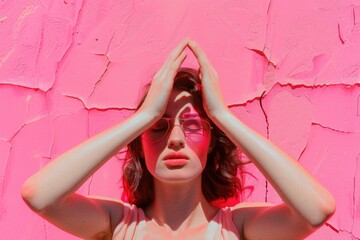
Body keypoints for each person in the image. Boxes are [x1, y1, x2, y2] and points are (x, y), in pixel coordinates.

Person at [21, 38, 336, 240]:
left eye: (193, 126)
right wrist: (143, 116)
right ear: (139, 145)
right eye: (160, 127)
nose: (174, 139)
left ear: (213, 141)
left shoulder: (236, 228)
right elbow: (40, 195)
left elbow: (316, 210)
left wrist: (222, 116)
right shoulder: (119, 224)